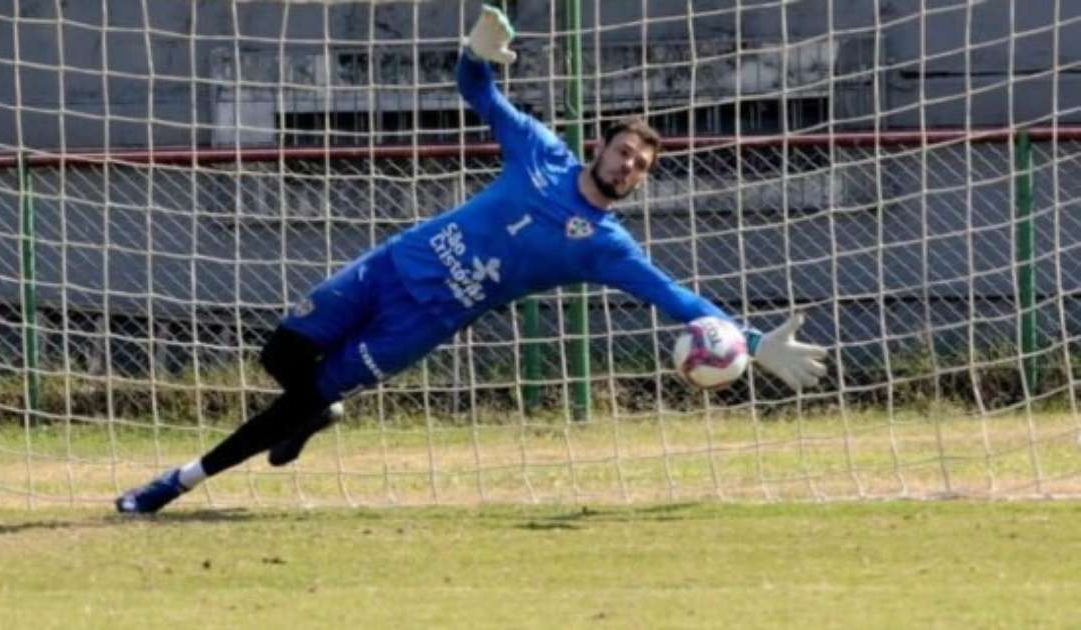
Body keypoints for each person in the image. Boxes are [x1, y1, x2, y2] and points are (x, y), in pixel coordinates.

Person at [115, 6, 828, 514]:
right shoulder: (541, 153)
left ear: (640, 178)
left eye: (640, 165)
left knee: (299, 396)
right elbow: (476, 91)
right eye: (623, 151)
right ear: (601, 148)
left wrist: (751, 342)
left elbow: (676, 298)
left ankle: (177, 483)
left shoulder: (607, 248)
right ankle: (310, 414)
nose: (628, 164)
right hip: (389, 266)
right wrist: (474, 52)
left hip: (419, 323)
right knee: (280, 356)